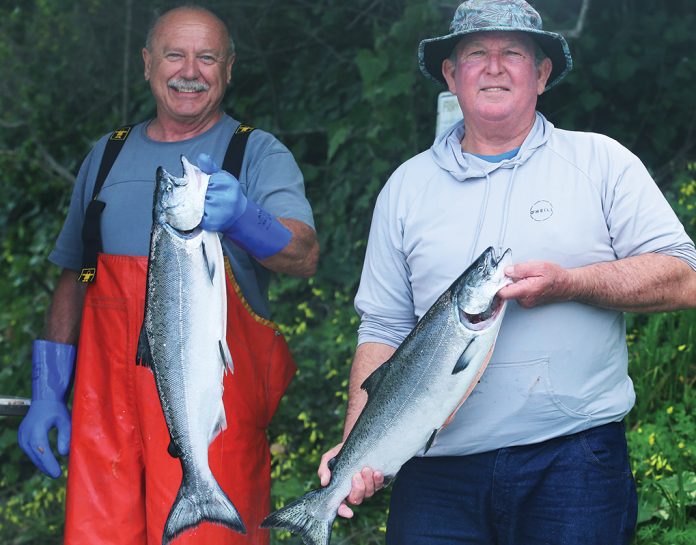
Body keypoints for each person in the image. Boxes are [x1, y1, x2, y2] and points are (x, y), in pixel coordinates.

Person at [318, 1, 696, 543]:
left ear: (541, 73)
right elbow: (382, 328)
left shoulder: (601, 161)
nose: (494, 67)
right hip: (435, 475)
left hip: (574, 462)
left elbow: (684, 276)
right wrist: (359, 445)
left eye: (513, 53)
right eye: (476, 53)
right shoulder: (406, 186)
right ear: (451, 74)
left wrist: (573, 283)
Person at [18, 5, 318, 545]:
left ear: (229, 69)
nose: (189, 71)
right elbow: (75, 278)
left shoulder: (255, 151)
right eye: (174, 54)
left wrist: (246, 219)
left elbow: (304, 256)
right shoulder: (105, 157)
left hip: (209, 415)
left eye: (207, 58)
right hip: (103, 419)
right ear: (147, 63)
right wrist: (47, 391)